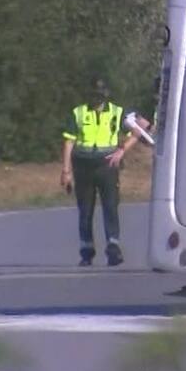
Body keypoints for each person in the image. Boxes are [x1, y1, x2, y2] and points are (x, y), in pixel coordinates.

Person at [61, 79, 139, 267]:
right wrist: (66, 171)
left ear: (106, 95)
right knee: (85, 210)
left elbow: (138, 132)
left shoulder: (117, 112)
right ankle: (86, 250)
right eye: (94, 95)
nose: (97, 99)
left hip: (107, 165)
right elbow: (69, 142)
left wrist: (122, 151)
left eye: (100, 95)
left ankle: (113, 247)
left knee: (110, 206)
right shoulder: (78, 112)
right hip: (83, 165)